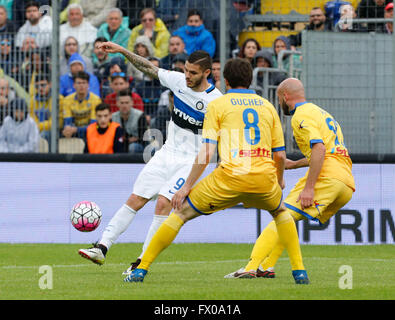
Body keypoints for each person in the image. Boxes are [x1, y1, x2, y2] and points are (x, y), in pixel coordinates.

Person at [123, 58, 308, 284]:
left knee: (179, 213)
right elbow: (279, 155)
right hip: (263, 178)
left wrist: (186, 187)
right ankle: (299, 272)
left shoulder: (218, 104)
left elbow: (207, 152)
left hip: (228, 178)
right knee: (281, 213)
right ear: (250, 80)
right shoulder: (267, 106)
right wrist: (278, 181)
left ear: (225, 81)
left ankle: (141, 269)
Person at [77, 42, 222, 274]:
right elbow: (148, 67)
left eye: (193, 73)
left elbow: (214, 144)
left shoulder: (216, 102)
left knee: (164, 203)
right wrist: (123, 51)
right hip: (166, 154)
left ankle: (141, 262)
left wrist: (191, 183)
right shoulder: (178, 81)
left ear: (207, 73)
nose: (187, 76)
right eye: (185, 70)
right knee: (136, 198)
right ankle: (102, 247)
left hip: (189, 162)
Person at [225, 78, 355, 280]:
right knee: (288, 220)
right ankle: (267, 266)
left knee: (280, 215)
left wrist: (309, 188)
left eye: (279, 99)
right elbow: (328, 151)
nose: (280, 104)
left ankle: (251, 266)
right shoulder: (322, 113)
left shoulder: (300, 116)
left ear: (285, 96)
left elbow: (319, 148)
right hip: (345, 182)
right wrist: (295, 164)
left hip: (327, 177)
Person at [62, 71, 101, 139]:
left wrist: (76, 129)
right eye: (79, 83)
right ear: (74, 85)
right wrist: (68, 129)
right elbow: (67, 121)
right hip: (72, 131)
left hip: (89, 131)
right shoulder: (67, 100)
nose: (81, 86)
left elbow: (93, 124)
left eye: (84, 83)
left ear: (88, 85)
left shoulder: (96, 100)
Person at [29, 73, 64, 145]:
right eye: (37, 86)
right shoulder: (33, 100)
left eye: (43, 85)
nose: (40, 88)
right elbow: (31, 119)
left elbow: (58, 122)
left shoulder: (58, 99)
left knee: (43, 135)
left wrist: (38, 126)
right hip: (36, 130)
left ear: (50, 84)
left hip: (55, 132)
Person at [111, 88, 148, 154]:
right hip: (120, 144)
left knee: (132, 147)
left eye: (127, 103)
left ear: (132, 103)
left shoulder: (140, 115)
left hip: (137, 146)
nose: (124, 106)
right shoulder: (112, 117)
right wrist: (130, 139)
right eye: (122, 103)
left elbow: (144, 138)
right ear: (117, 103)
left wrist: (126, 140)